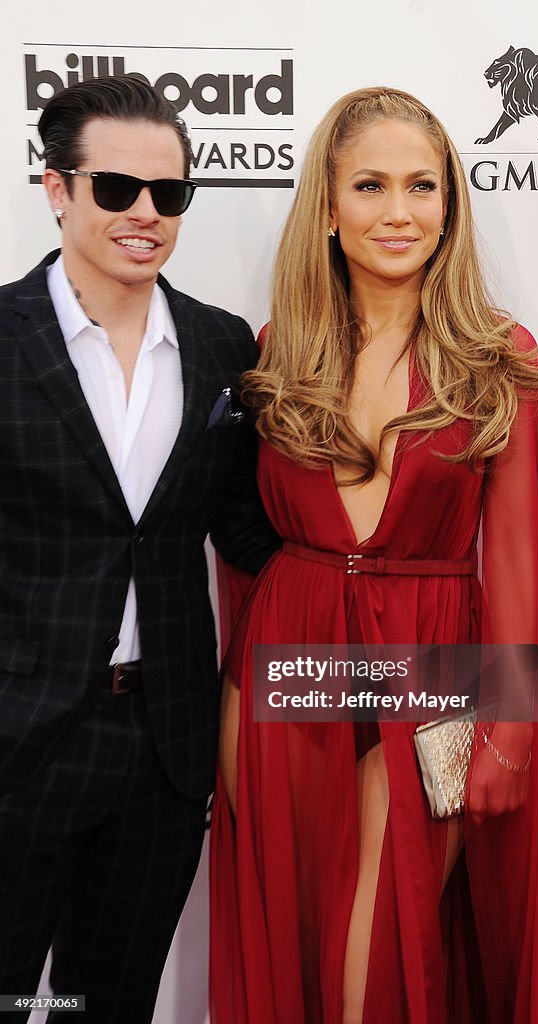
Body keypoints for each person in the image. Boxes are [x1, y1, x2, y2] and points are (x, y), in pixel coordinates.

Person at [209, 87, 538, 1023]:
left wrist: (514, 731)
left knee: (381, 951)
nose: (397, 212)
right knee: (298, 949)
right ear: (326, 207)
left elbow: (520, 563)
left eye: (422, 187)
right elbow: (241, 544)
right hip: (290, 662)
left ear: (450, 207)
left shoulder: (497, 359)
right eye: (369, 185)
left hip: (438, 667)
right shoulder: (280, 353)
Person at [0, 76, 278, 1023]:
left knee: (105, 1003)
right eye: (116, 190)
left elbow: (241, 527)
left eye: (170, 194)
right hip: (18, 742)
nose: (146, 215)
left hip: (162, 748)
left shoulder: (220, 345)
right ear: (57, 189)